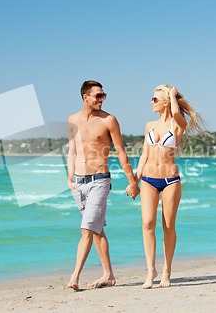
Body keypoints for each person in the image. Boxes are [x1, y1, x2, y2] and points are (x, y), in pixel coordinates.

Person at [132, 84, 209, 289]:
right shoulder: (149, 125)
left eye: (155, 99)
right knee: (147, 224)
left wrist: (173, 95)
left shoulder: (177, 125)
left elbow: (176, 113)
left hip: (170, 181)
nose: (151, 102)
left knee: (168, 226)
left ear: (166, 101)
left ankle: (166, 270)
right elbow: (144, 155)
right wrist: (135, 180)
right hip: (148, 179)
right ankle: (151, 271)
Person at [67, 80, 140, 291]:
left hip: (100, 180)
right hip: (79, 184)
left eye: (103, 95)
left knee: (87, 229)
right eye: (98, 95)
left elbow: (121, 152)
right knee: (97, 230)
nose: (102, 99)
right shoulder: (72, 120)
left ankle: (74, 277)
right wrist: (69, 177)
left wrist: (132, 182)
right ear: (85, 97)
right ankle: (109, 275)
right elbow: (72, 150)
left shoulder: (109, 120)